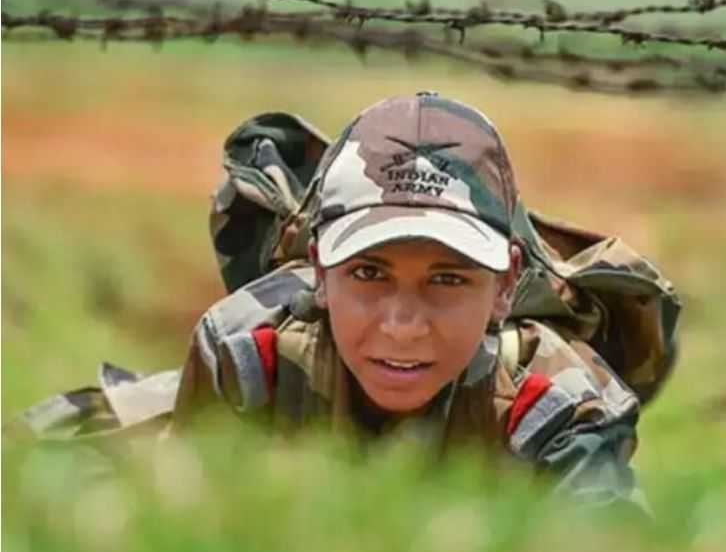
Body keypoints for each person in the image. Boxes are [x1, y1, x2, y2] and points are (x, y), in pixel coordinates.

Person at [10, 91, 672, 508]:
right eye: (370, 273)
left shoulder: (557, 406)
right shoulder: (249, 354)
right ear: (318, 271)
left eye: (448, 279)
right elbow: (197, 542)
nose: (403, 324)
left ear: (505, 285)